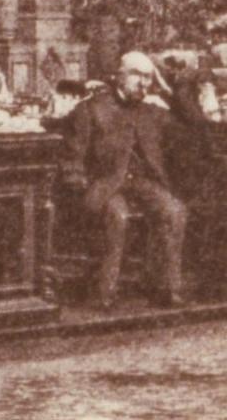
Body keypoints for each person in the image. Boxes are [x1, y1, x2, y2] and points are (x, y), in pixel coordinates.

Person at [63, 51, 188, 310]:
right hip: (104, 183)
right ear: (119, 76)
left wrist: (166, 90)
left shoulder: (152, 109)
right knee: (117, 216)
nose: (143, 83)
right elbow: (73, 154)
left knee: (174, 211)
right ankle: (103, 293)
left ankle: (164, 288)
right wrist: (79, 186)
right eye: (137, 75)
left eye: (148, 77)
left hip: (142, 183)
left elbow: (188, 124)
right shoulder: (91, 108)